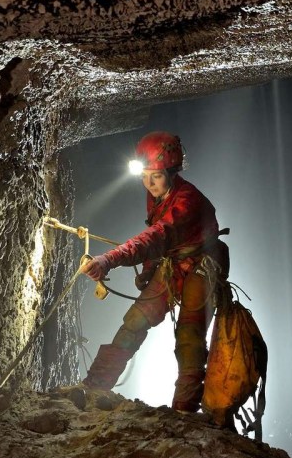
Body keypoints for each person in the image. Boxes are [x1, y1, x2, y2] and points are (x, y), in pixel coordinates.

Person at [78, 131, 229, 413]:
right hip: (174, 263)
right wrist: (149, 270)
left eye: (156, 176)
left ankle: (184, 410)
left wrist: (108, 260)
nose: (149, 184)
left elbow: (157, 236)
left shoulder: (188, 201)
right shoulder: (157, 195)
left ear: (172, 172)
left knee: (189, 336)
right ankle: (95, 386)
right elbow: (159, 238)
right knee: (134, 322)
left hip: (202, 266)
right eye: (144, 176)